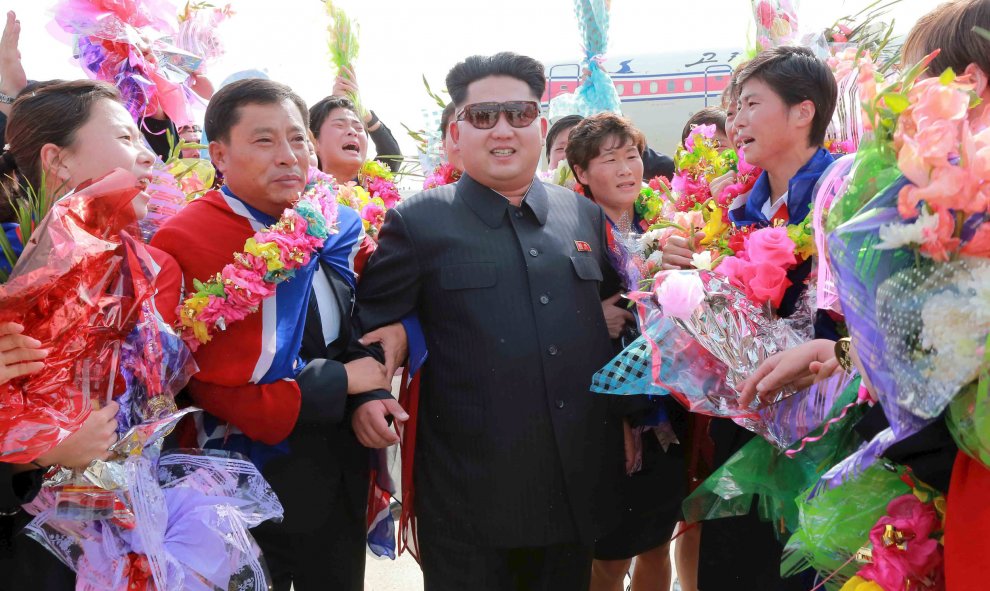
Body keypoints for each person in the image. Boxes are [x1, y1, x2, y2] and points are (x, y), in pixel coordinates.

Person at [352, 52, 628, 591]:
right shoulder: (417, 222)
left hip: (574, 484)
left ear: (543, 128)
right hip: (471, 497)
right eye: (483, 117)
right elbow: (370, 328)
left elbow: (618, 321)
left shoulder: (584, 215)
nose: (503, 129)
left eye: (520, 114)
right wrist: (366, 395)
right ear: (456, 135)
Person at [150, 78, 396, 591]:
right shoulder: (185, 239)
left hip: (340, 464)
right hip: (237, 477)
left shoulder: (341, 224)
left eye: (297, 139)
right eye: (264, 140)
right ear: (219, 154)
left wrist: (369, 393)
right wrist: (341, 384)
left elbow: (363, 323)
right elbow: (199, 376)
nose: (288, 156)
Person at [0, 78, 182, 590]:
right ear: (58, 161)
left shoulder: (133, 267)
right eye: (126, 139)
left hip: (118, 535)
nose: (147, 157)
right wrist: (41, 452)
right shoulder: (12, 265)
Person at [566, 112, 687, 591]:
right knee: (611, 555)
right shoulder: (570, 236)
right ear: (580, 174)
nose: (625, 169)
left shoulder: (665, 226)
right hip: (605, 416)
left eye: (632, 156)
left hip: (671, 408)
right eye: (609, 159)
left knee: (659, 541)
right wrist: (591, 319)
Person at [309, 65, 402, 178]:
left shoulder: (373, 187)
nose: (353, 132)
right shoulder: (299, 190)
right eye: (339, 125)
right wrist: (334, 103)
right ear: (314, 142)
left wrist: (363, 111)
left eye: (358, 128)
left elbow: (392, 156)